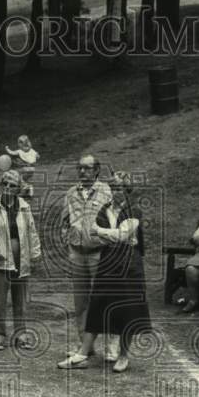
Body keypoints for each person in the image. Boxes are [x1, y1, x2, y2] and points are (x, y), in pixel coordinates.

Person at [58, 172, 151, 372]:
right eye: (113, 187)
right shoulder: (105, 208)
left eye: (119, 188)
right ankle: (82, 353)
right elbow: (96, 231)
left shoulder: (135, 210)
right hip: (108, 262)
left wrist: (103, 232)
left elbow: (123, 235)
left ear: (127, 191)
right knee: (97, 303)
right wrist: (110, 235)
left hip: (129, 265)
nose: (115, 191)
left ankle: (123, 356)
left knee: (127, 308)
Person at [0, 169, 41, 350]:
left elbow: (31, 231)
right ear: (0, 185)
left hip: (21, 257)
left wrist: (35, 252)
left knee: (20, 299)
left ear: (18, 189)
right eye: (4, 184)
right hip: (0, 260)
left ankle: (21, 335)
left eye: (12, 186)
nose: (7, 188)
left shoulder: (24, 206)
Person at [60, 154, 114, 353]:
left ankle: (110, 346)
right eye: (79, 168)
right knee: (80, 300)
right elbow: (64, 221)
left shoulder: (106, 191)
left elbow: (113, 221)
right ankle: (85, 345)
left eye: (87, 168)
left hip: (99, 253)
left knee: (102, 299)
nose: (82, 172)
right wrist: (69, 243)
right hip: (77, 253)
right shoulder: (71, 193)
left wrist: (106, 242)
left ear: (97, 170)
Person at [5, 134, 40, 199]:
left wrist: (7, 149)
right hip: (32, 168)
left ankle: (25, 190)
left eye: (19, 143)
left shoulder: (19, 151)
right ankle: (30, 193)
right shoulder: (32, 150)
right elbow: (38, 156)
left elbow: (12, 153)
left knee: (22, 180)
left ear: (21, 144)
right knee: (27, 179)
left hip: (26, 168)